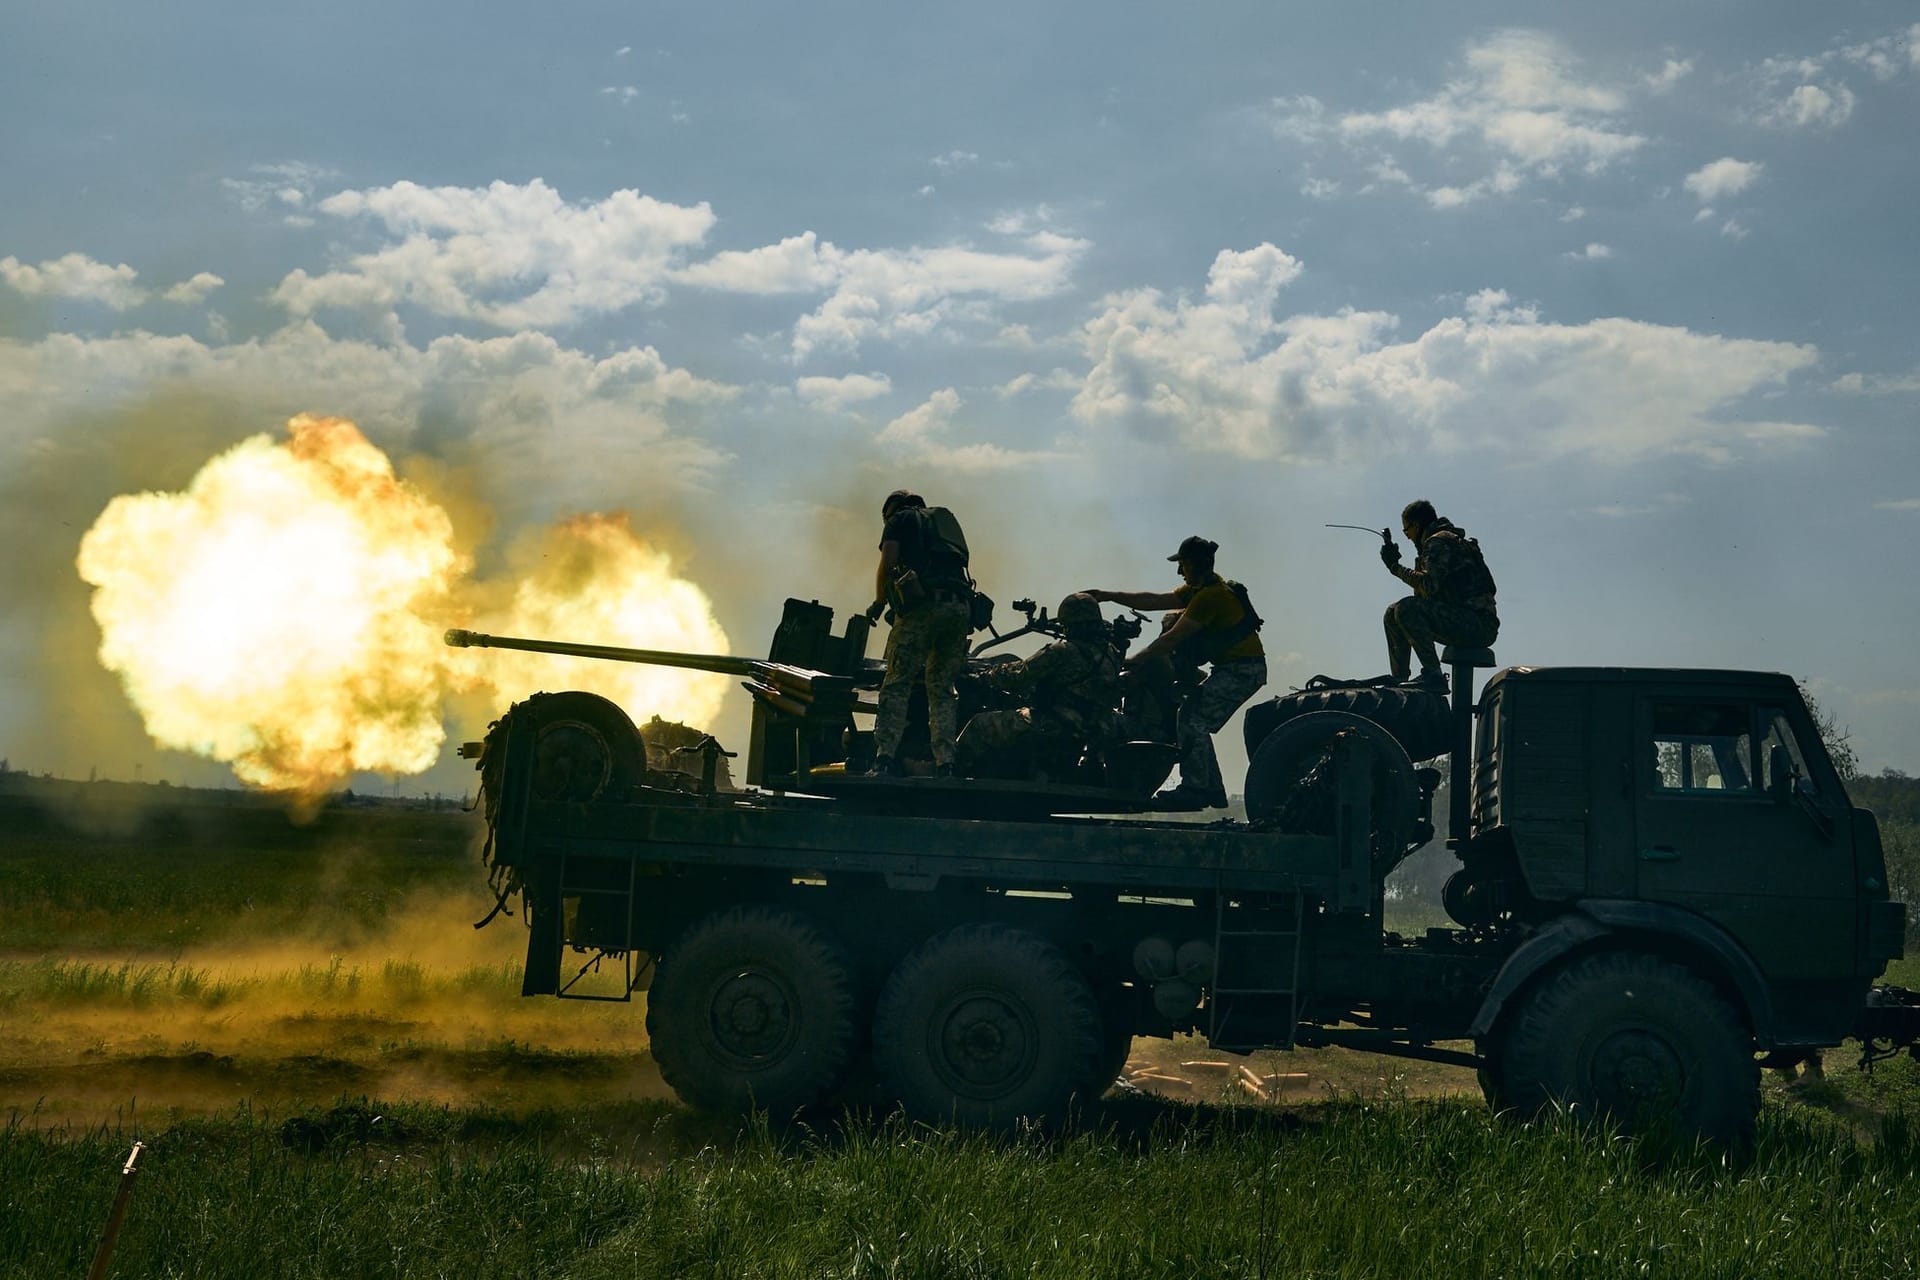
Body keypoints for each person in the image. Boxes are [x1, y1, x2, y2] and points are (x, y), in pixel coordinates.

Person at [1086, 536, 1266, 810]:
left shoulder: (1210, 597)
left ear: (1194, 564)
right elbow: (1153, 600)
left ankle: (1194, 789)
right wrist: (1108, 596)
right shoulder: (1201, 589)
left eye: (1182, 564)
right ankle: (1212, 790)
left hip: (1242, 670)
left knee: (1192, 717)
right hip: (1238, 668)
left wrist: (1133, 661)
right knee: (1195, 718)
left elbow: (1170, 639)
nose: (1179, 571)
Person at [956, 593, 1122, 782]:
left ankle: (949, 775)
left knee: (980, 725)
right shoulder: (1112, 654)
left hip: (1055, 725)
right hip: (1096, 729)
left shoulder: (1062, 650)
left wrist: (983, 677)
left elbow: (1019, 675)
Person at [865, 490, 974, 777]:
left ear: (892, 510)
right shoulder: (942, 525)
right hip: (960, 609)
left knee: (897, 682)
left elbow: (888, 564)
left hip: (924, 608)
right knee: (942, 689)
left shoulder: (899, 520)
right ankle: (946, 763)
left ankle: (884, 759)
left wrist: (878, 602)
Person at [1380, 500, 1499, 691]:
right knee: (1392, 613)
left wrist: (1395, 567)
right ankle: (1399, 681)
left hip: (1477, 625)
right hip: (1466, 620)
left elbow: (1428, 587)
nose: (1408, 537)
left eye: (1406, 531)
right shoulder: (1437, 544)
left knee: (1406, 608)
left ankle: (1434, 675)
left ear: (1416, 525)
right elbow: (1424, 598)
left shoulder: (1439, 542)